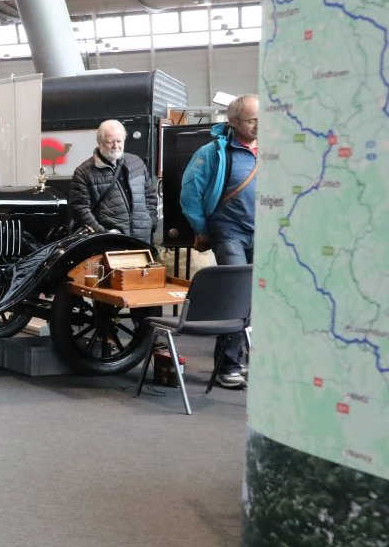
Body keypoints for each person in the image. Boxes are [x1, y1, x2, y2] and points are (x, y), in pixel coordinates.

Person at [179, 94, 260, 389]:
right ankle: (230, 365)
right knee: (236, 296)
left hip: (264, 233)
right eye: (252, 120)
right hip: (228, 231)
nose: (259, 126)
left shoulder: (273, 150)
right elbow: (190, 193)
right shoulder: (213, 152)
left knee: (262, 298)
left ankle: (258, 362)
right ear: (234, 121)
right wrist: (202, 229)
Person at [70, 120, 159, 243]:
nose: (115, 146)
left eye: (119, 141)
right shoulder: (84, 172)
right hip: (109, 242)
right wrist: (102, 234)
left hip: (142, 239)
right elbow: (80, 209)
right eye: (110, 142)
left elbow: (150, 196)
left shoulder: (137, 162)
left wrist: (151, 222)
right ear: (99, 142)